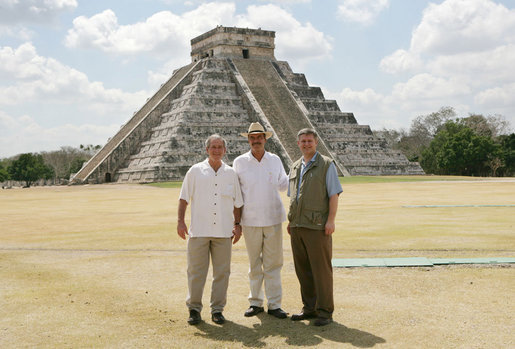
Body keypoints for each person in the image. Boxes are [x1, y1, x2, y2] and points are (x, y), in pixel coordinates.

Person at [177, 134, 243, 326]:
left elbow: (237, 203)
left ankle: (217, 310)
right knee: (196, 272)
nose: (216, 150)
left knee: (222, 273)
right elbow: (183, 198)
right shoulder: (195, 171)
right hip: (199, 231)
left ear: (225, 150)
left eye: (219, 147)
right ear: (207, 150)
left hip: (223, 232)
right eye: (213, 147)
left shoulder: (231, 173)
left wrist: (237, 225)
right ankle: (194, 309)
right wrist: (180, 222)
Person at [287, 128, 343, 326]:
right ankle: (309, 308)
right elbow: (293, 198)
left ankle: (325, 311)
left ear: (316, 142)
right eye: (303, 141)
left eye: (309, 141)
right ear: (298, 144)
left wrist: (331, 220)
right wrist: (291, 220)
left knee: (321, 271)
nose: (306, 144)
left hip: (317, 226)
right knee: (303, 270)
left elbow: (333, 195)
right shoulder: (294, 167)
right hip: (297, 226)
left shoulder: (326, 165)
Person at [233, 122, 289, 319]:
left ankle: (275, 304)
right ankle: (255, 302)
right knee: (254, 264)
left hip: (273, 218)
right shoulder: (239, 162)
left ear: (265, 139)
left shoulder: (275, 160)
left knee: (274, 264)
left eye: (259, 137)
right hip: (250, 220)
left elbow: (284, 185)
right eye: (252, 137)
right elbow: (236, 195)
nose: (256, 141)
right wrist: (236, 223)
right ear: (248, 140)